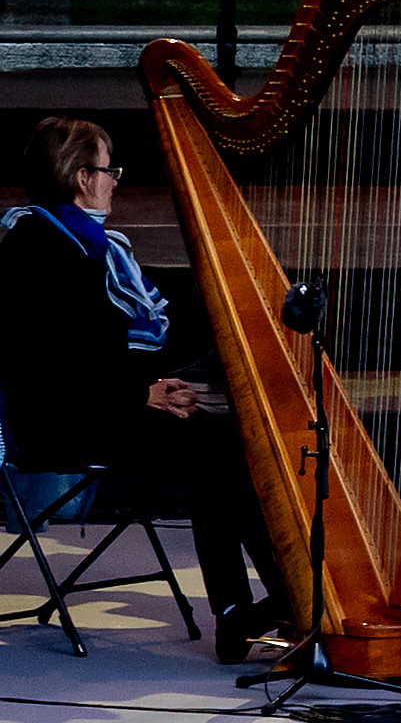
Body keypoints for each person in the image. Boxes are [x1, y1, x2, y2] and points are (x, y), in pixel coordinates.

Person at [0, 115, 275, 654]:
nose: (115, 180)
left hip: (98, 407)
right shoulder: (37, 247)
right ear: (82, 177)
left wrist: (155, 383)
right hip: (56, 424)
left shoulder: (87, 245)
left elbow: (98, 352)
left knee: (222, 438)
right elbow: (49, 367)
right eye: (109, 169)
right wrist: (138, 394)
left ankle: (263, 605)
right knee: (215, 447)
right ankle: (253, 608)